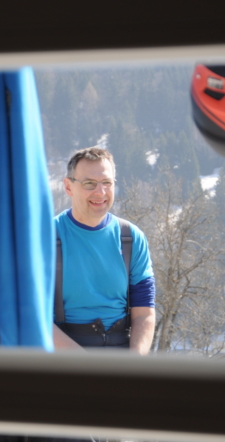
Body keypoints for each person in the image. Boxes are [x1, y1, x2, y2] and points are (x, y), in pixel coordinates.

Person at [53, 147, 156, 354]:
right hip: (64, 356)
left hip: (122, 354)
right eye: (89, 183)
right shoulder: (45, 237)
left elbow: (144, 312)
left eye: (107, 183)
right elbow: (32, 314)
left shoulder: (131, 238)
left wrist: (135, 362)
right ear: (68, 187)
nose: (100, 192)